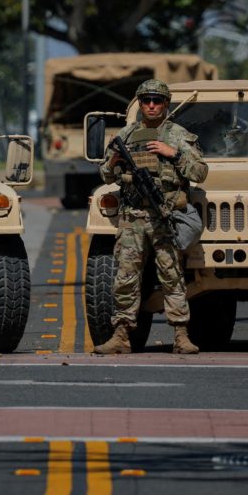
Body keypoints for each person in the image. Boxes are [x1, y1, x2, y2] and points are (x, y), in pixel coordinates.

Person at [94, 79, 209, 355]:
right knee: (125, 276)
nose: (152, 105)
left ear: (166, 104)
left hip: (164, 215)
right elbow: (105, 175)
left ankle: (181, 335)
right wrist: (113, 163)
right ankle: (121, 335)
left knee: (172, 276)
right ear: (140, 103)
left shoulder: (178, 136)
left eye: (157, 100)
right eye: (147, 100)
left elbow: (200, 173)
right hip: (132, 217)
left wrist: (174, 154)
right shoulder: (126, 135)